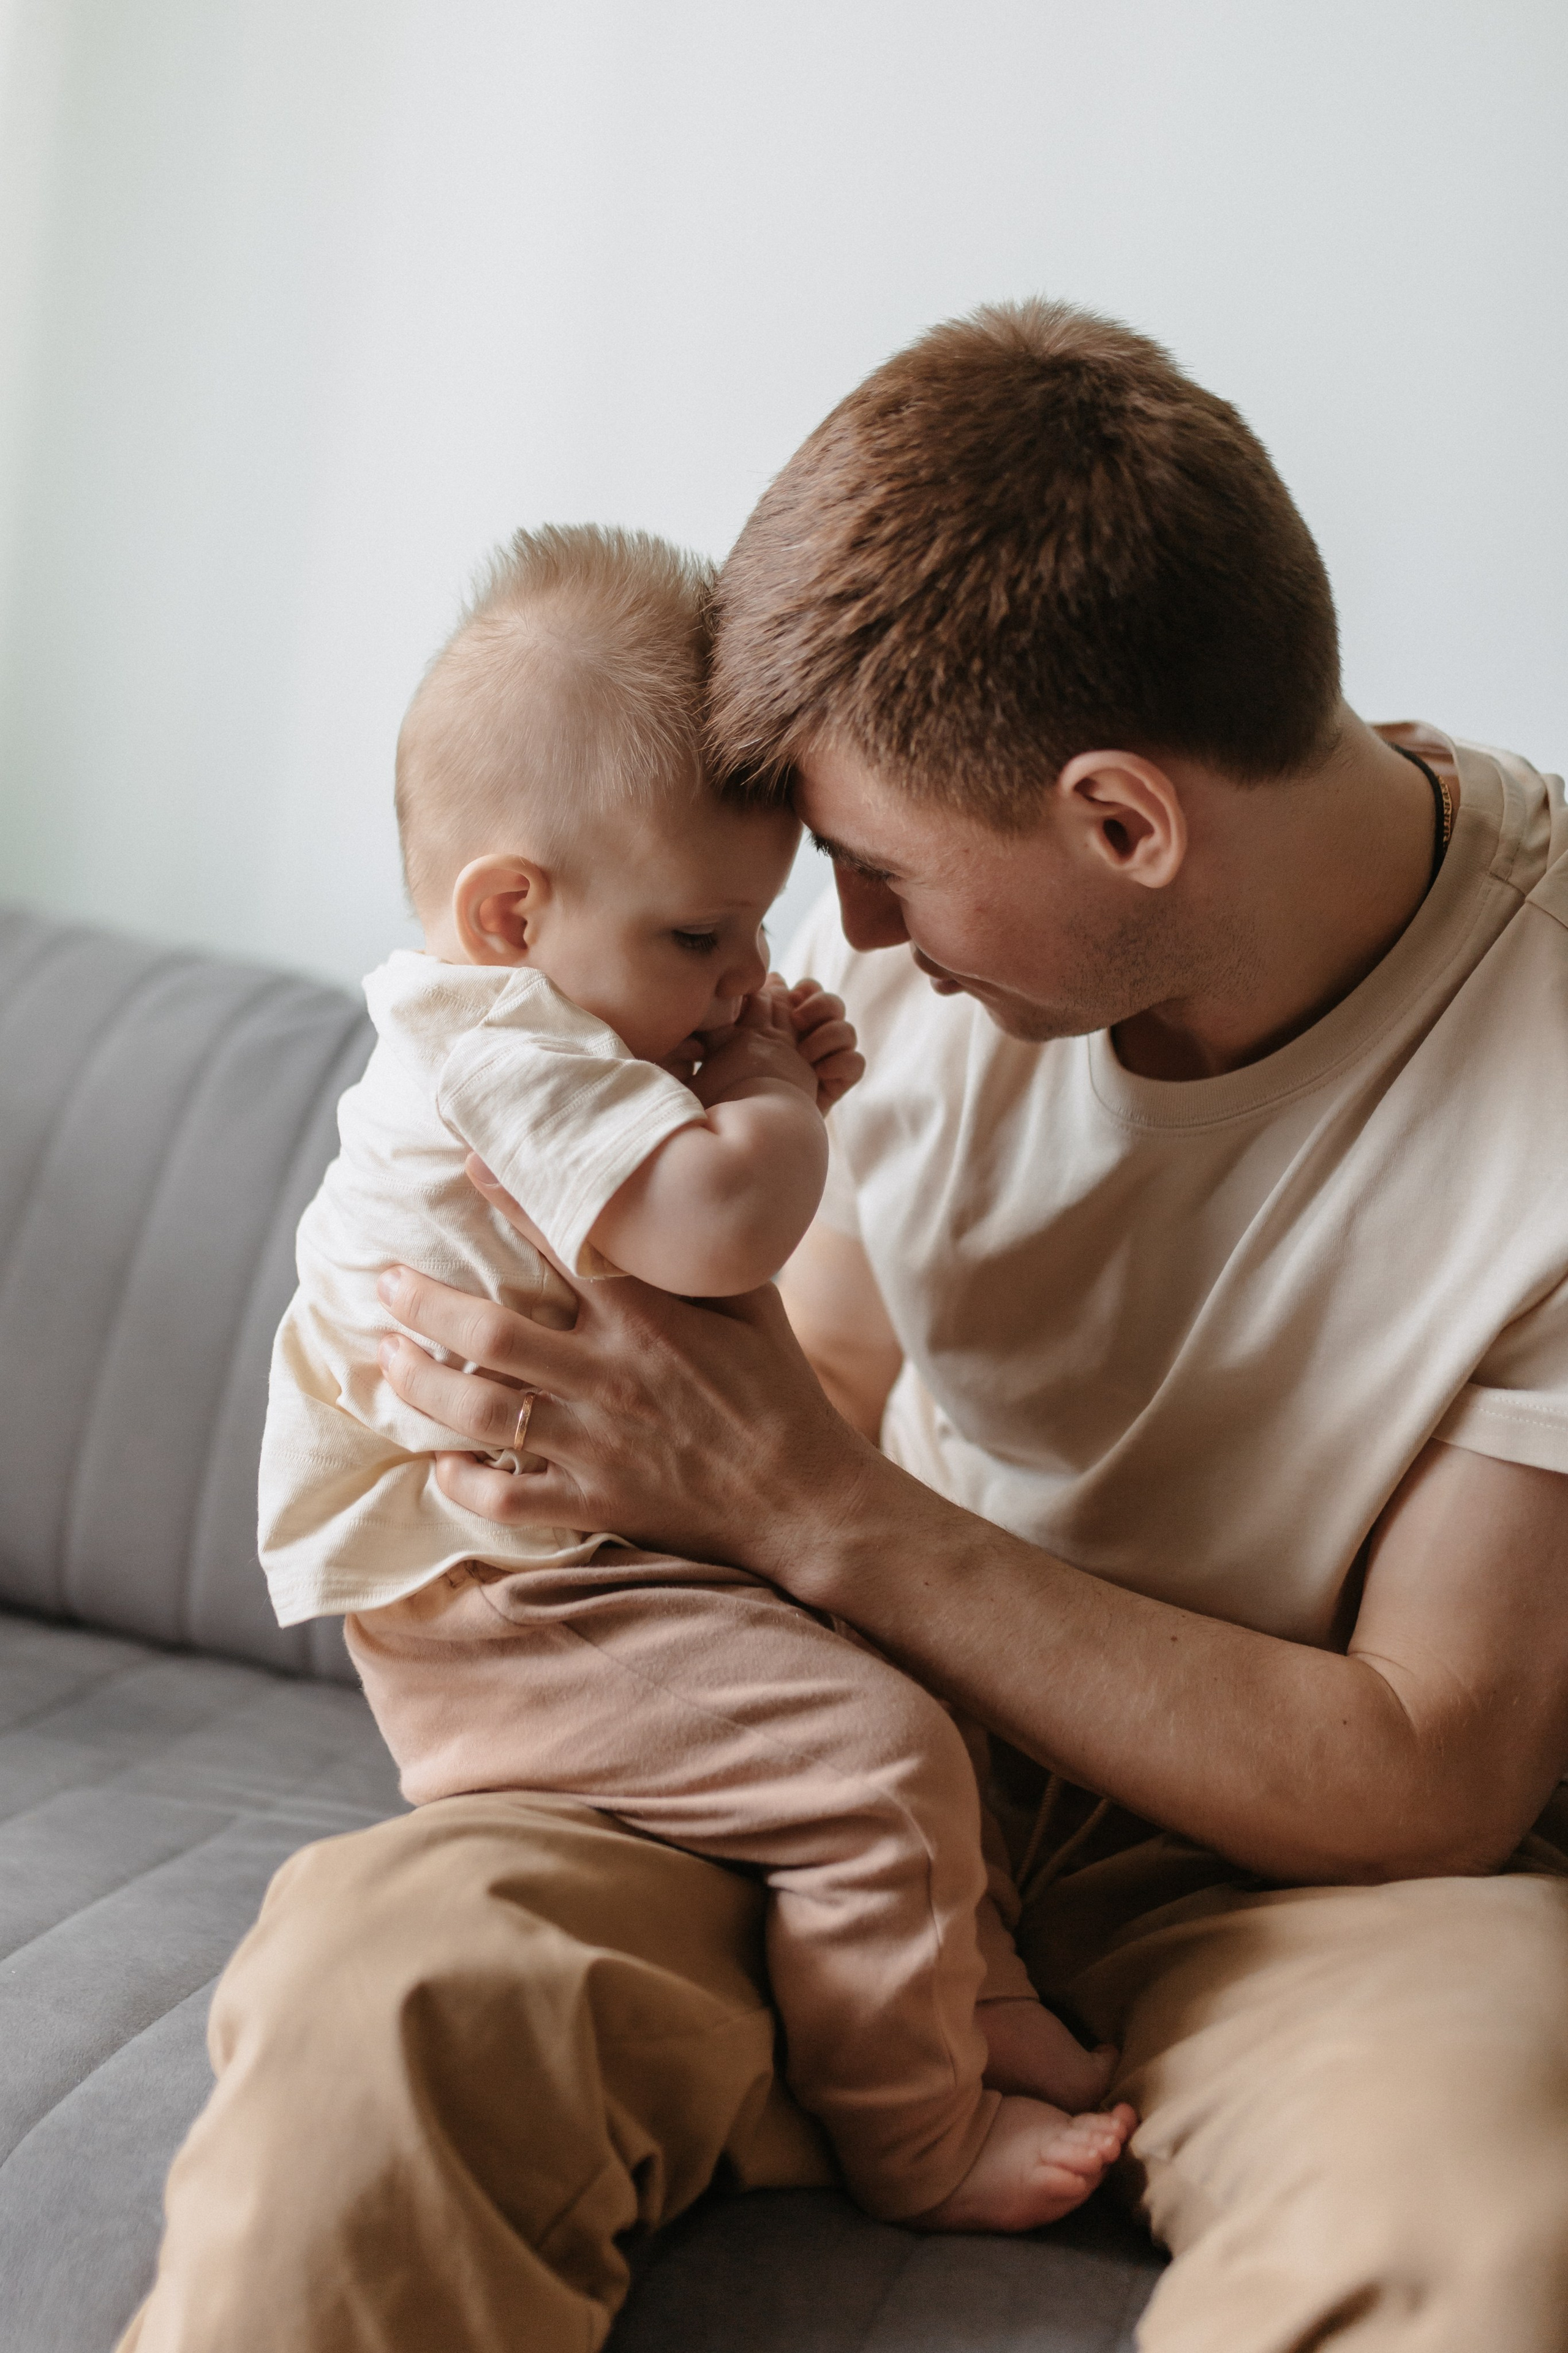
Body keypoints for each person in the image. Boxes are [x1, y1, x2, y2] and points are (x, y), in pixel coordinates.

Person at [121, 301, 1568, 2352]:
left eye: (879, 878)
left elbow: (1430, 1769)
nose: (841, 945)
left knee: (1483, 2220)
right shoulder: (913, 962)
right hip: (842, 1751)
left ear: (1124, 821)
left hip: (1310, 1882)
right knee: (386, 1997)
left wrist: (823, 1513)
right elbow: (809, 1391)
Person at [255, 518, 1132, 2236]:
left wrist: (725, 1060)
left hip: (587, 1561)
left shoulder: (573, 1024)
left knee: (930, 1677)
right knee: (875, 1759)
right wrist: (778, 1102)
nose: (748, 977)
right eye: (700, 936)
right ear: (513, 911)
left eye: (755, 930)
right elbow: (723, 1227)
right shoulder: (496, 1037)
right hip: (493, 1604)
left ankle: (976, 1976)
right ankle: (915, 2128)